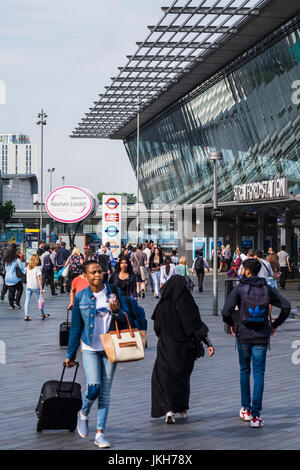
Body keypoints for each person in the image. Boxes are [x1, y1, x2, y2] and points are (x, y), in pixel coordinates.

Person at [65, 260, 129, 448]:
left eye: (100, 271)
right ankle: (83, 413)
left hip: (110, 348)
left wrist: (117, 312)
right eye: (93, 272)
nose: (98, 275)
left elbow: (124, 318)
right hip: (90, 348)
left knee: (105, 392)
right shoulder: (81, 297)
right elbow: (76, 327)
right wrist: (70, 354)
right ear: (86, 275)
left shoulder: (113, 292)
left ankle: (100, 433)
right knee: (94, 387)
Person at [222, 258, 291, 427]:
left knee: (245, 371)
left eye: (242, 269)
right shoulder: (267, 289)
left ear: (246, 271)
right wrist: (274, 325)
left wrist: (232, 324)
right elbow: (286, 306)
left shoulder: (239, 289)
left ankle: (245, 409)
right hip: (261, 336)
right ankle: (256, 416)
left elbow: (225, 311)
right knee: (259, 374)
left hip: (243, 336)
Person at [151, 275, 214, 424]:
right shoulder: (187, 304)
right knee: (182, 379)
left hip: (166, 347)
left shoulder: (162, 306)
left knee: (164, 379)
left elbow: (157, 328)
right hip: (184, 349)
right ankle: (182, 409)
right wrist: (208, 343)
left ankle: (168, 410)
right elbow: (196, 326)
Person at [24, 254, 49, 321]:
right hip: (35, 287)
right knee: (39, 301)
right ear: (37, 260)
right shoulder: (37, 269)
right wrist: (41, 288)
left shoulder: (28, 267)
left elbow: (24, 273)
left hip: (28, 286)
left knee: (27, 301)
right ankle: (43, 314)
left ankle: (26, 315)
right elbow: (39, 279)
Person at [3, 243, 25, 310]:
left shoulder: (6, 259)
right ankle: (17, 303)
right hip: (15, 278)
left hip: (7, 278)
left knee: (11, 291)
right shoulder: (17, 259)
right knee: (20, 289)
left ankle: (11, 305)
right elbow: (21, 268)